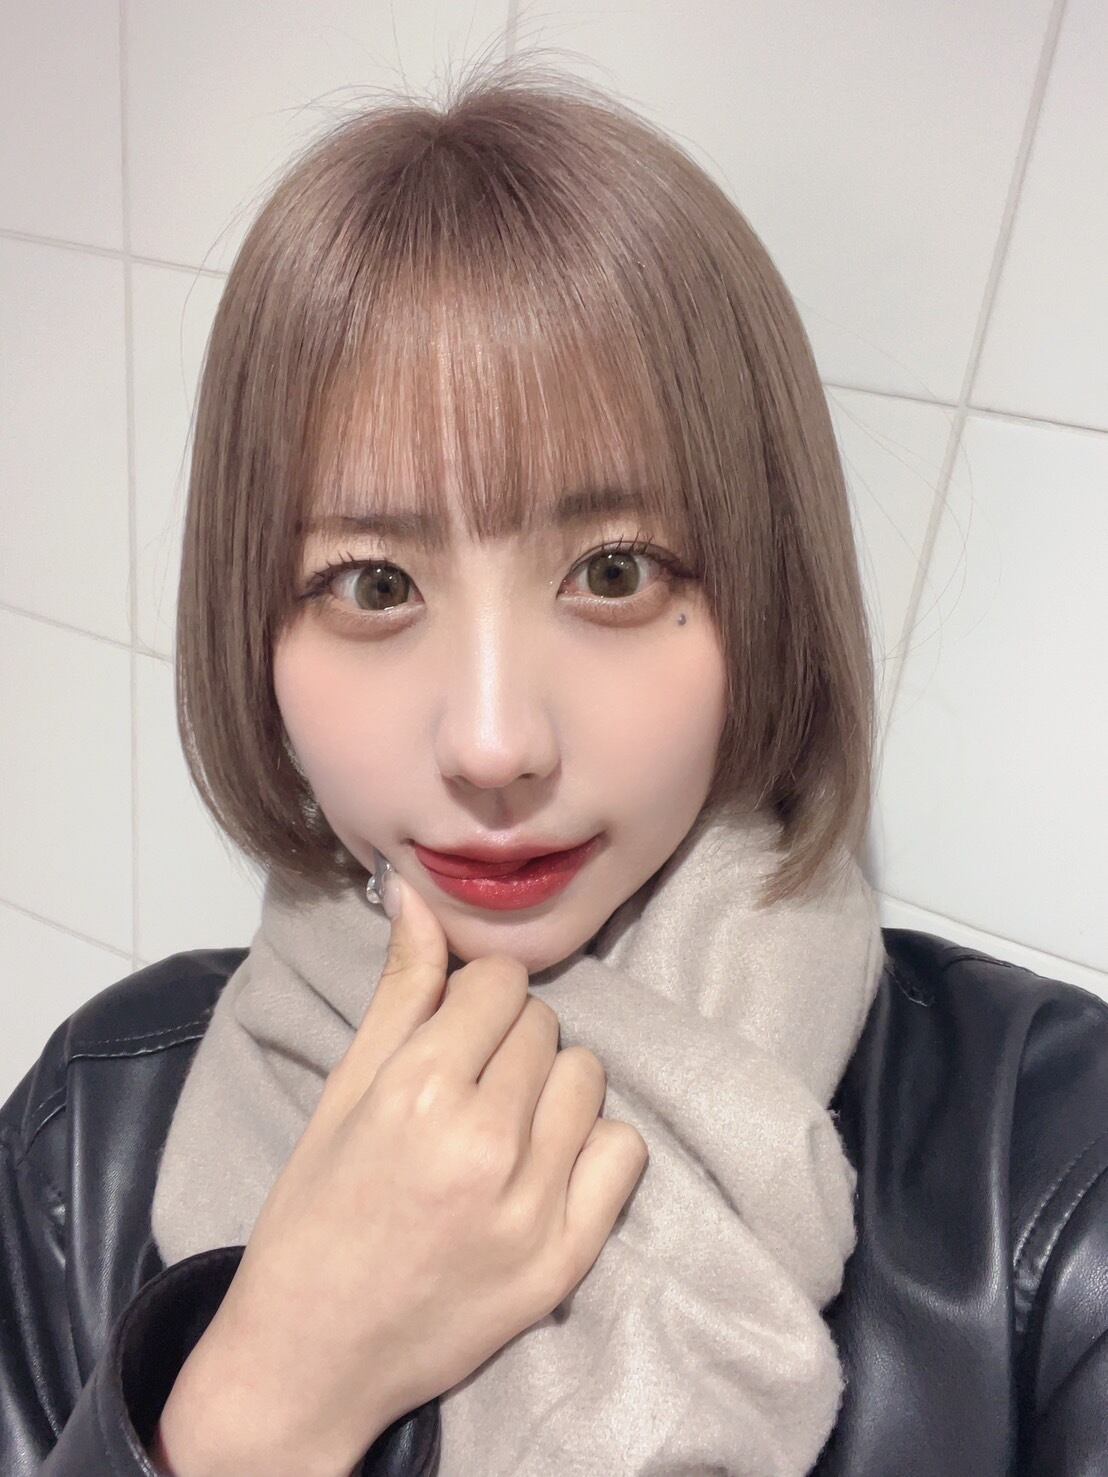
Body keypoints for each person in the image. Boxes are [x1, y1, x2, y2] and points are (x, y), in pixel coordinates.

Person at [3, 52, 1107, 1477]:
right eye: (374, 585)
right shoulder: (91, 1137)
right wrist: (263, 1395)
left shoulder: (1048, 1174)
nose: (494, 745)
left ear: (761, 595)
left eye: (615, 571)